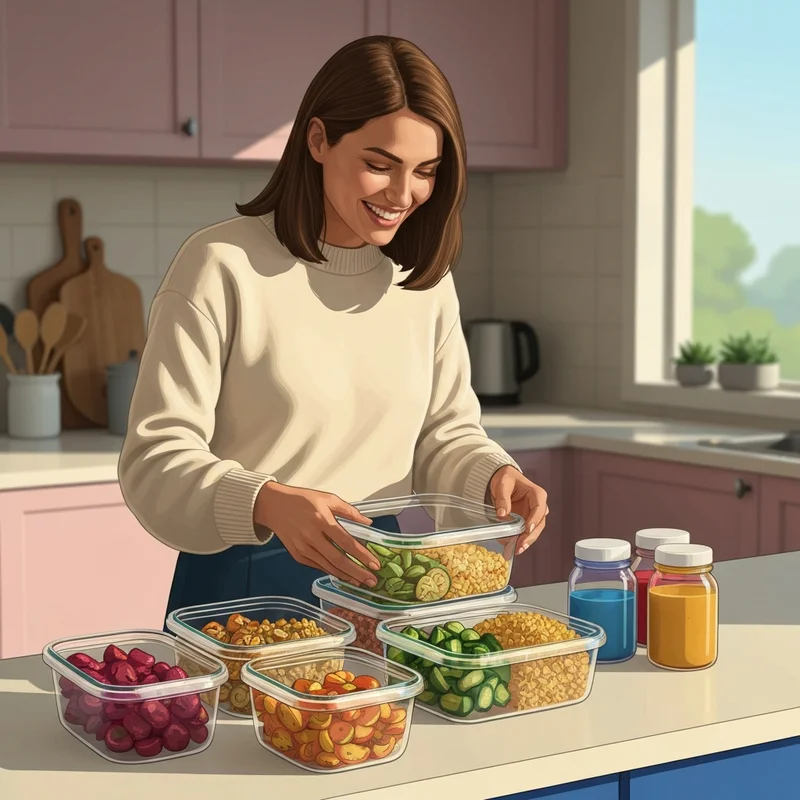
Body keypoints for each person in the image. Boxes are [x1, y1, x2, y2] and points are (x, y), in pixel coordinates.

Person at [118, 35, 548, 623]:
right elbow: (154, 463)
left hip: (385, 579)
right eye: (379, 164)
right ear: (318, 140)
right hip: (244, 582)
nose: (403, 195)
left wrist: (491, 476)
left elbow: (443, 436)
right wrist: (265, 502)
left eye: (425, 171)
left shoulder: (421, 281)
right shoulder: (221, 264)